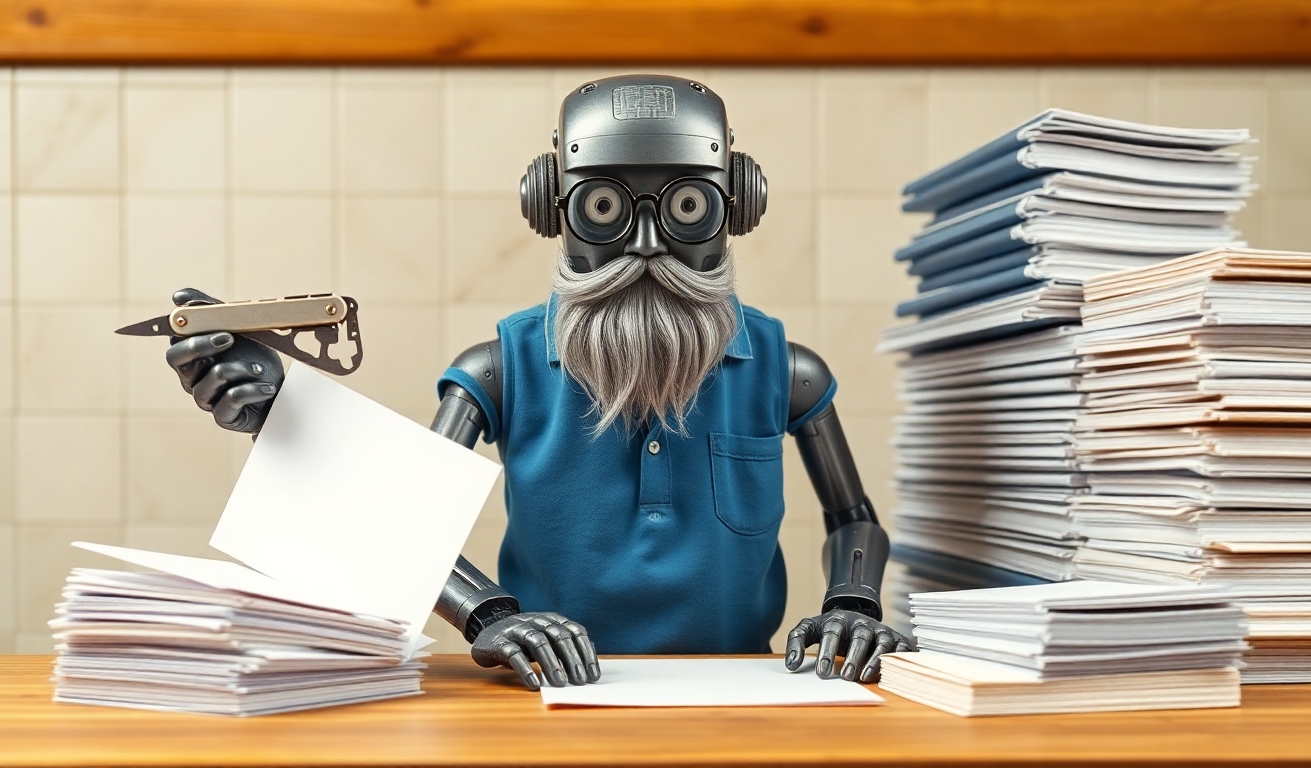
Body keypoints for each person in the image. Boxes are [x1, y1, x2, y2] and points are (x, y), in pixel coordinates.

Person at [164, 74, 909, 691]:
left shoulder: (785, 371)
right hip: (545, 699)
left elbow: (853, 515)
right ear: (551, 204)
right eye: (606, 209)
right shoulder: (503, 366)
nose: (647, 246)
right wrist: (488, 616)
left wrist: (854, 598)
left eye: (686, 208)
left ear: (736, 205)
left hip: (740, 694)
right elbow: (398, 523)